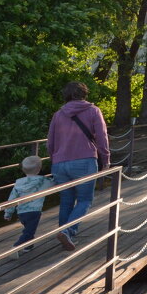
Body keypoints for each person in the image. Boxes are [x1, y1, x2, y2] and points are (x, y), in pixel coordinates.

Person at [46, 81, 110, 252]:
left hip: (60, 163)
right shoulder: (93, 111)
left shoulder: (58, 115)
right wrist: (106, 159)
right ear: (84, 93)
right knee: (84, 200)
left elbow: (50, 143)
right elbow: (102, 138)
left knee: (66, 200)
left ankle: (64, 233)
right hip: (85, 161)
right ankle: (68, 231)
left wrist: (56, 160)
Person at [3, 155, 54, 258]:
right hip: (34, 212)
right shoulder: (43, 181)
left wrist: (8, 213)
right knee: (29, 231)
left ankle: (29, 246)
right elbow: (54, 184)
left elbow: (12, 199)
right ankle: (16, 246)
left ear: (23, 169)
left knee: (28, 229)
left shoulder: (18, 183)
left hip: (21, 212)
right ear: (39, 169)